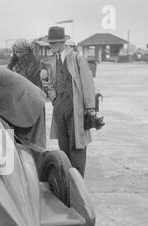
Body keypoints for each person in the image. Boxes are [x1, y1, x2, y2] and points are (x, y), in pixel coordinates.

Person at [46, 27, 96, 177]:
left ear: (63, 42)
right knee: (63, 144)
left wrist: (90, 107)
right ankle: (67, 179)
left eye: (54, 43)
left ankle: (78, 181)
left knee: (77, 144)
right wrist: (53, 97)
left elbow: (88, 83)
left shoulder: (77, 58)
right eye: (50, 42)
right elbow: (51, 82)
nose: (51, 45)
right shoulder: (53, 60)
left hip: (75, 107)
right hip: (59, 107)